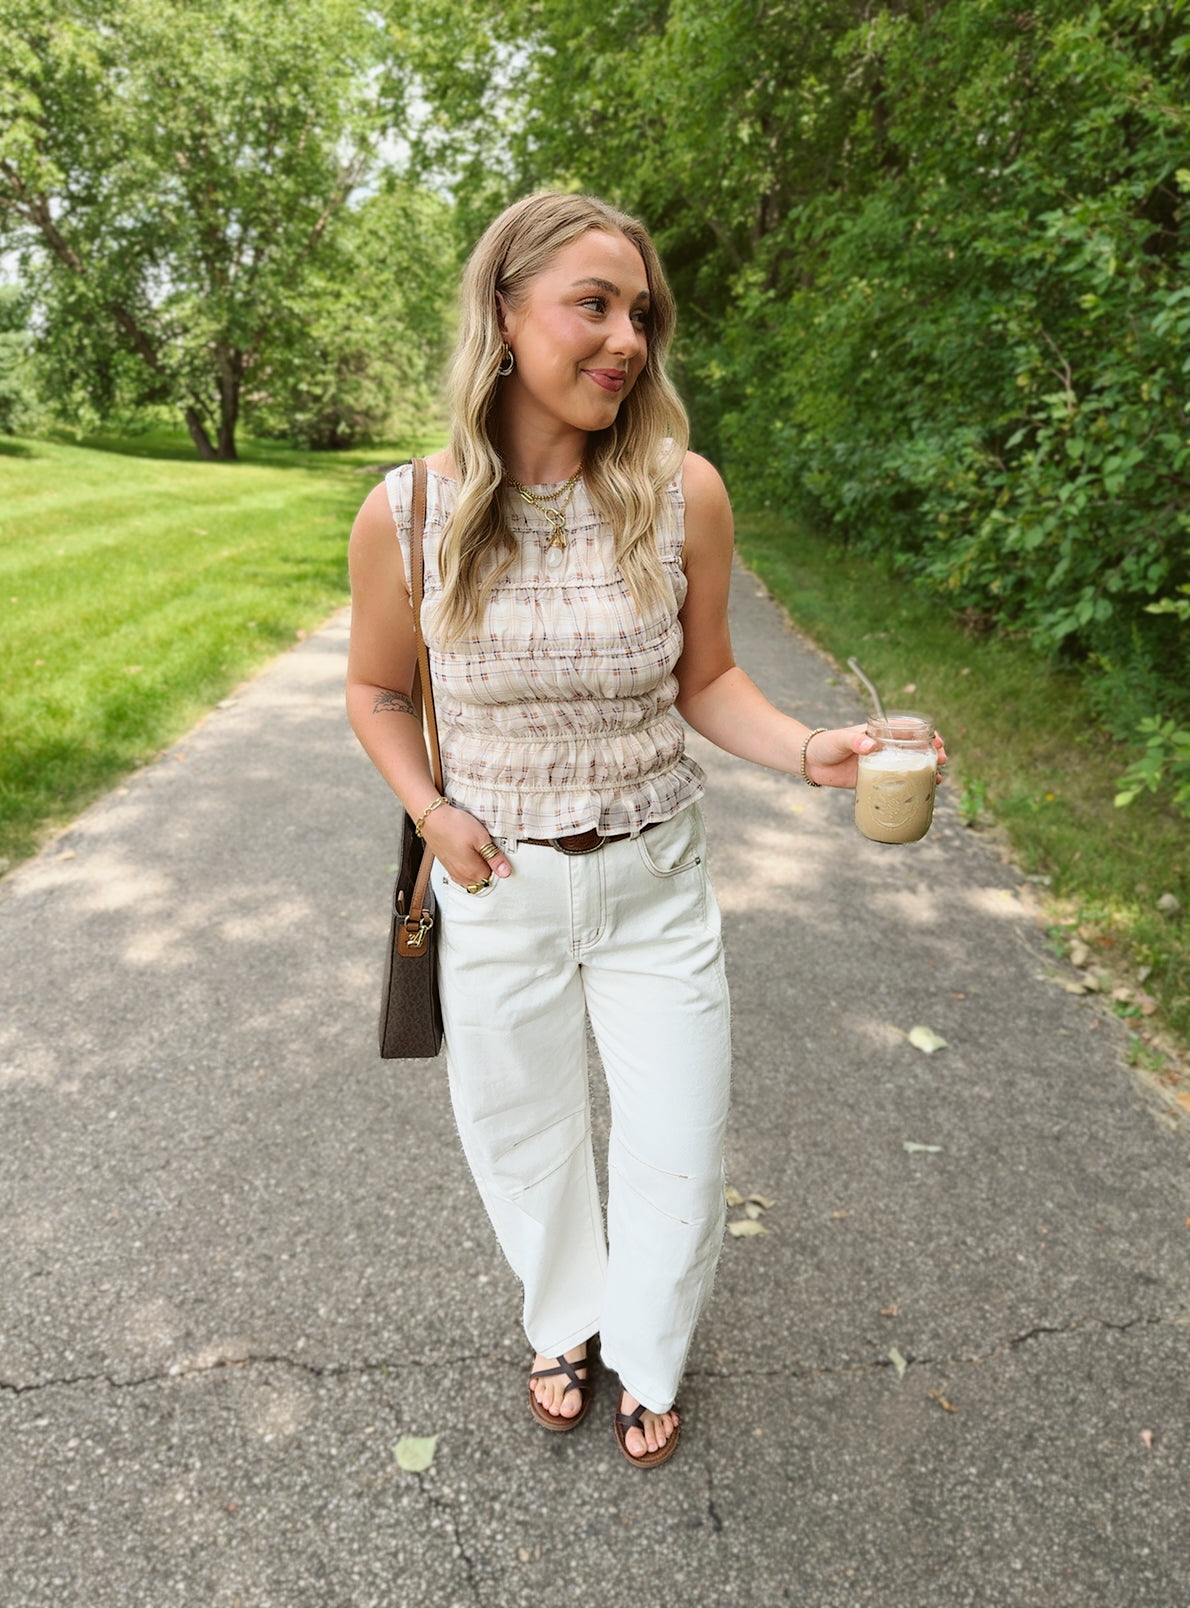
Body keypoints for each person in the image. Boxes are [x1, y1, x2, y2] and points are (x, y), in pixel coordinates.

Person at [346, 191, 944, 1467]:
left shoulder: (681, 495)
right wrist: (432, 809)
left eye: (641, 313)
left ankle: (652, 1352)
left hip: (654, 884)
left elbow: (706, 679)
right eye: (594, 305)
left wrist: (812, 751)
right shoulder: (408, 513)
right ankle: (564, 1320)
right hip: (496, 887)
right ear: (505, 312)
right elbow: (378, 690)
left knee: (677, 1147)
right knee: (523, 1139)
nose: (628, 339)